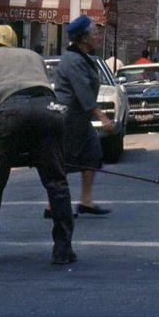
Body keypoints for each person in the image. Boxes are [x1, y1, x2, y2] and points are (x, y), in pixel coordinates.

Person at [0, 23, 76, 266]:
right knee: (56, 182)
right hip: (48, 110)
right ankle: (63, 248)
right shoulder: (34, 56)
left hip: (9, 113)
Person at [52, 15, 115, 217]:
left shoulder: (84, 57)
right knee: (63, 161)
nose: (98, 36)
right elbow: (83, 92)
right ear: (84, 37)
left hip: (81, 118)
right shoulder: (72, 60)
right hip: (68, 117)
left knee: (92, 155)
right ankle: (53, 205)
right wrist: (103, 117)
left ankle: (86, 201)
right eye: (95, 33)